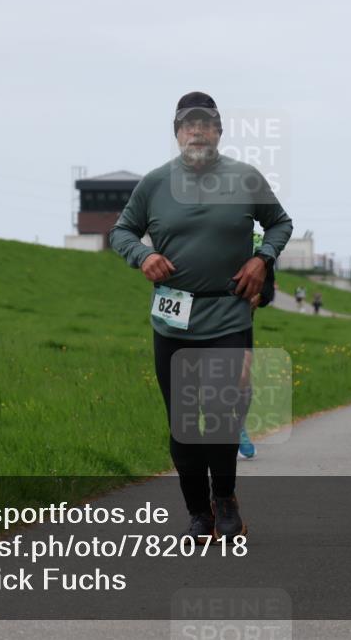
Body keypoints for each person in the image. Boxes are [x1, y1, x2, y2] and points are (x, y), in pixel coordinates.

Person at [109, 91, 293, 542]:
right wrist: (141, 256)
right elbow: (121, 231)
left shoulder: (245, 178)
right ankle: (198, 512)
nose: (197, 131)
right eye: (188, 124)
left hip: (228, 312)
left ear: (218, 132)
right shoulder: (154, 184)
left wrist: (261, 259)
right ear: (176, 134)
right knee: (184, 420)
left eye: (205, 124)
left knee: (222, 409)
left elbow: (281, 223)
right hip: (173, 317)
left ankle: (225, 499)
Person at [237, 232, 277, 461]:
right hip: (206, 318)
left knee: (242, 376)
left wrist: (259, 297)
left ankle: (239, 426)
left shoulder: (258, 244)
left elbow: (269, 287)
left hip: (241, 321)